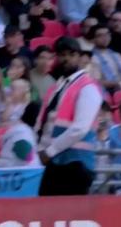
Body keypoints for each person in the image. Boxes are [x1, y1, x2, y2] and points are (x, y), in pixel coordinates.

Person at [36, 37, 103, 196]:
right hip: (55, 161)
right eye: (62, 55)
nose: (66, 59)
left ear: (79, 57)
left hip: (76, 163)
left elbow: (80, 129)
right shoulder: (57, 87)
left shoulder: (87, 87)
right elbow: (46, 124)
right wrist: (41, 150)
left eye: (71, 55)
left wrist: (48, 151)